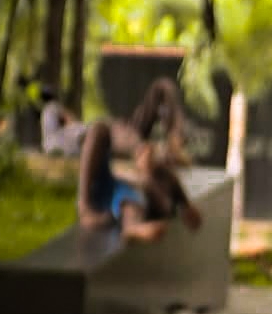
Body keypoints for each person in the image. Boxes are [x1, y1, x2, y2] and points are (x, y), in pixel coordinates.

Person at [76, 78, 201, 240]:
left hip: (116, 180)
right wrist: (187, 207)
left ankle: (93, 211)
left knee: (100, 129)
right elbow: (177, 192)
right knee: (162, 87)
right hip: (117, 148)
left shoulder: (138, 193)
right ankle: (169, 143)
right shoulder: (160, 180)